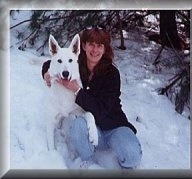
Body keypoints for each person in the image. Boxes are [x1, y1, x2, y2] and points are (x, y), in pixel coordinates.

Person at [42, 27, 142, 169]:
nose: (95, 50)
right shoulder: (76, 64)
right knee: (77, 126)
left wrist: (76, 89)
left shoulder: (112, 74)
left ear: (104, 48)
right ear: (83, 46)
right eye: (91, 45)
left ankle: (118, 146)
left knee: (132, 157)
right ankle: (88, 161)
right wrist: (46, 72)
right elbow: (54, 62)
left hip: (113, 125)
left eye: (99, 46)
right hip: (91, 127)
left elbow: (100, 110)